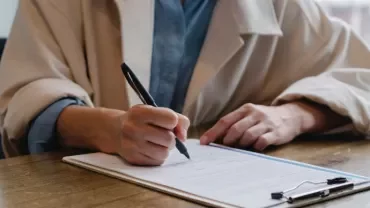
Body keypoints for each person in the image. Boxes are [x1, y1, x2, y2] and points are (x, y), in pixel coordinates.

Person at [0, 0, 369, 165]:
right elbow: (21, 94)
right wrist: (106, 129)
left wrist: (295, 114)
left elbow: (362, 77)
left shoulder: (283, 5)